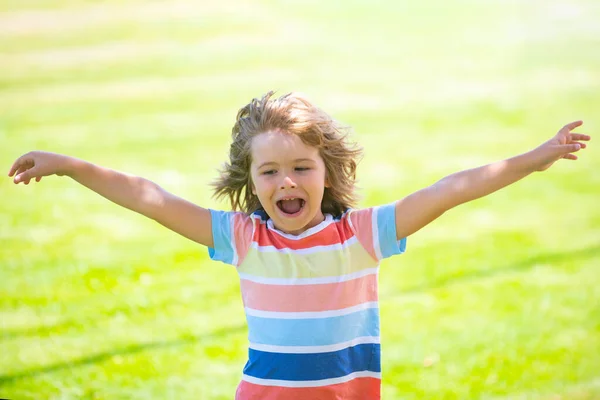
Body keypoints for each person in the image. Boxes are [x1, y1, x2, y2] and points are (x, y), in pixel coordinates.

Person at [8, 91, 590, 400]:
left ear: (328, 172)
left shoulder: (362, 236)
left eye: (301, 167)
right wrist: (68, 165)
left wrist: (536, 158)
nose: (286, 182)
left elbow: (451, 189)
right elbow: (148, 197)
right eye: (269, 172)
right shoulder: (242, 238)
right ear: (249, 181)